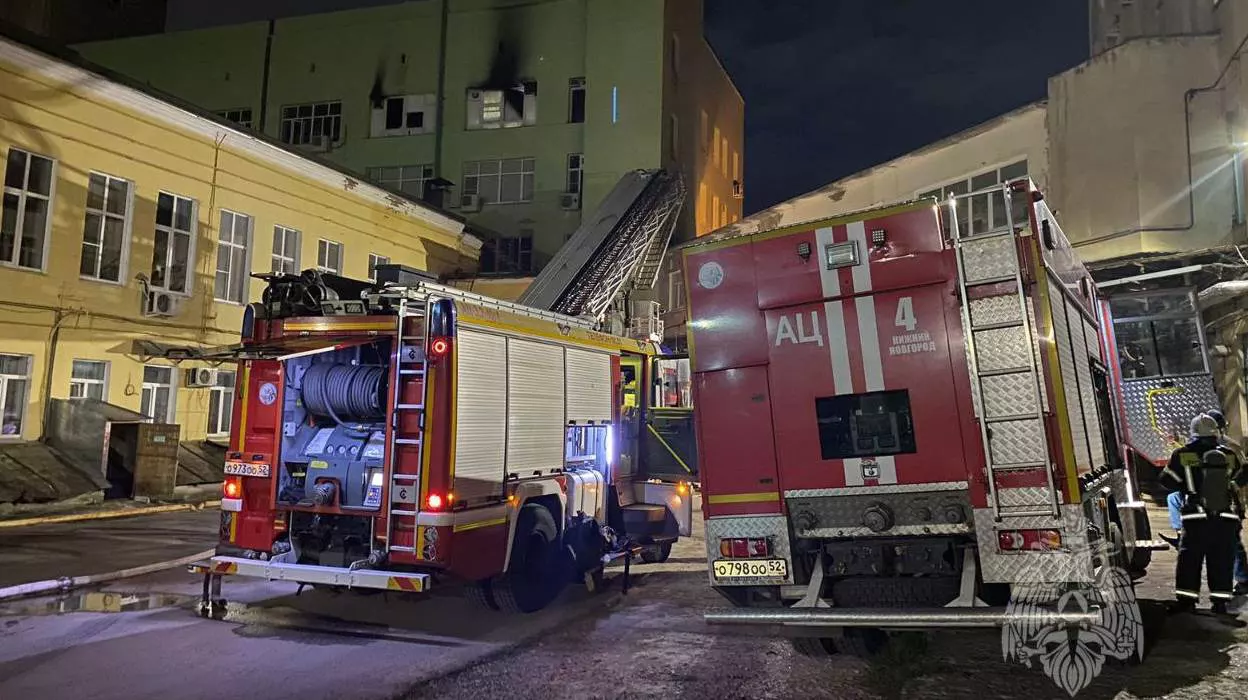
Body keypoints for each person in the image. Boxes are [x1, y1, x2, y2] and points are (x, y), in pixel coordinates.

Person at [1160, 414, 1248, 615]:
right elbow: (1243, 474)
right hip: (1225, 517)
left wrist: (1188, 488)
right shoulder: (1228, 454)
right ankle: (1219, 603)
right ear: (1215, 432)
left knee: (1190, 560)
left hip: (1195, 517)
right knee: (1221, 560)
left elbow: (1166, 480)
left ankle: (1187, 602)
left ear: (1193, 434)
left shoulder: (1181, 455)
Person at [1208, 409, 1248, 595]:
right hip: (1220, 503)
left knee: (1232, 541)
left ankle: (1242, 578)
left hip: (1230, 502)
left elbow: (1244, 472)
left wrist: (1231, 486)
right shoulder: (1224, 447)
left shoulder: (1230, 449)